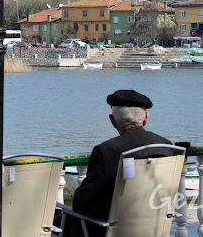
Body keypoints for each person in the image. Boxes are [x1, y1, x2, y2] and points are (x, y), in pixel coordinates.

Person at [66, 89, 173, 237]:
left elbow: (82, 202)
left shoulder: (106, 151)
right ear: (146, 118)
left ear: (112, 120)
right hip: (154, 228)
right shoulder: (166, 147)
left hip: (112, 230)